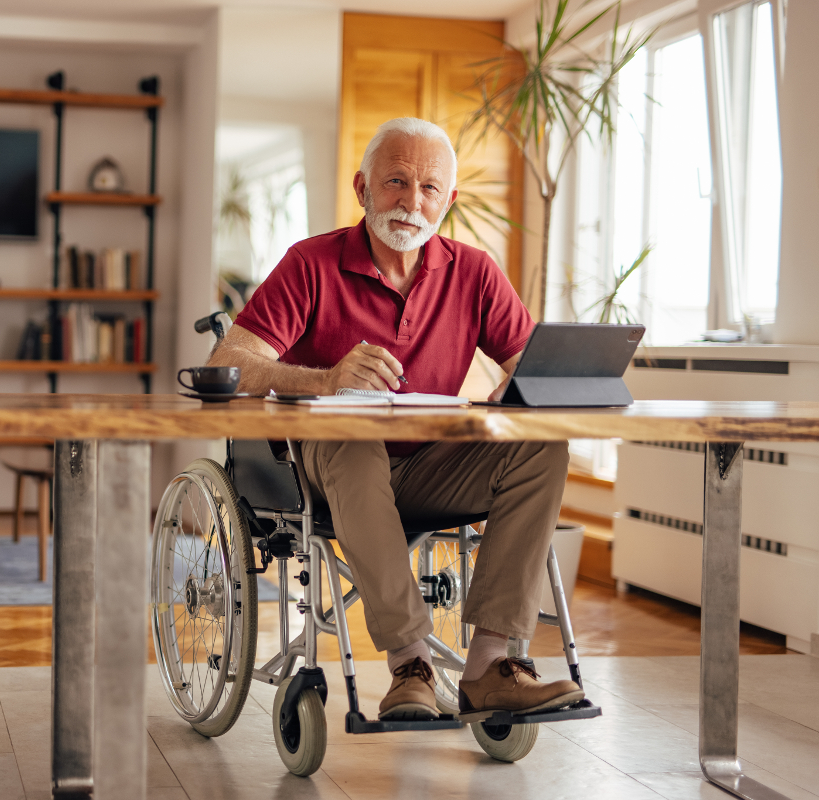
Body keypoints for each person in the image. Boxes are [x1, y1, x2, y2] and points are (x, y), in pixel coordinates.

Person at [207, 117, 582, 721]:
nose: (412, 202)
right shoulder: (311, 264)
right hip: (328, 471)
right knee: (353, 438)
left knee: (543, 445)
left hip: (431, 466)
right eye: (396, 182)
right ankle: (411, 664)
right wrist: (325, 381)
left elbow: (533, 364)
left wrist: (527, 386)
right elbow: (229, 362)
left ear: (449, 201)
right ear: (362, 189)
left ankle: (490, 666)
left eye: (429, 188)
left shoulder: (474, 272)